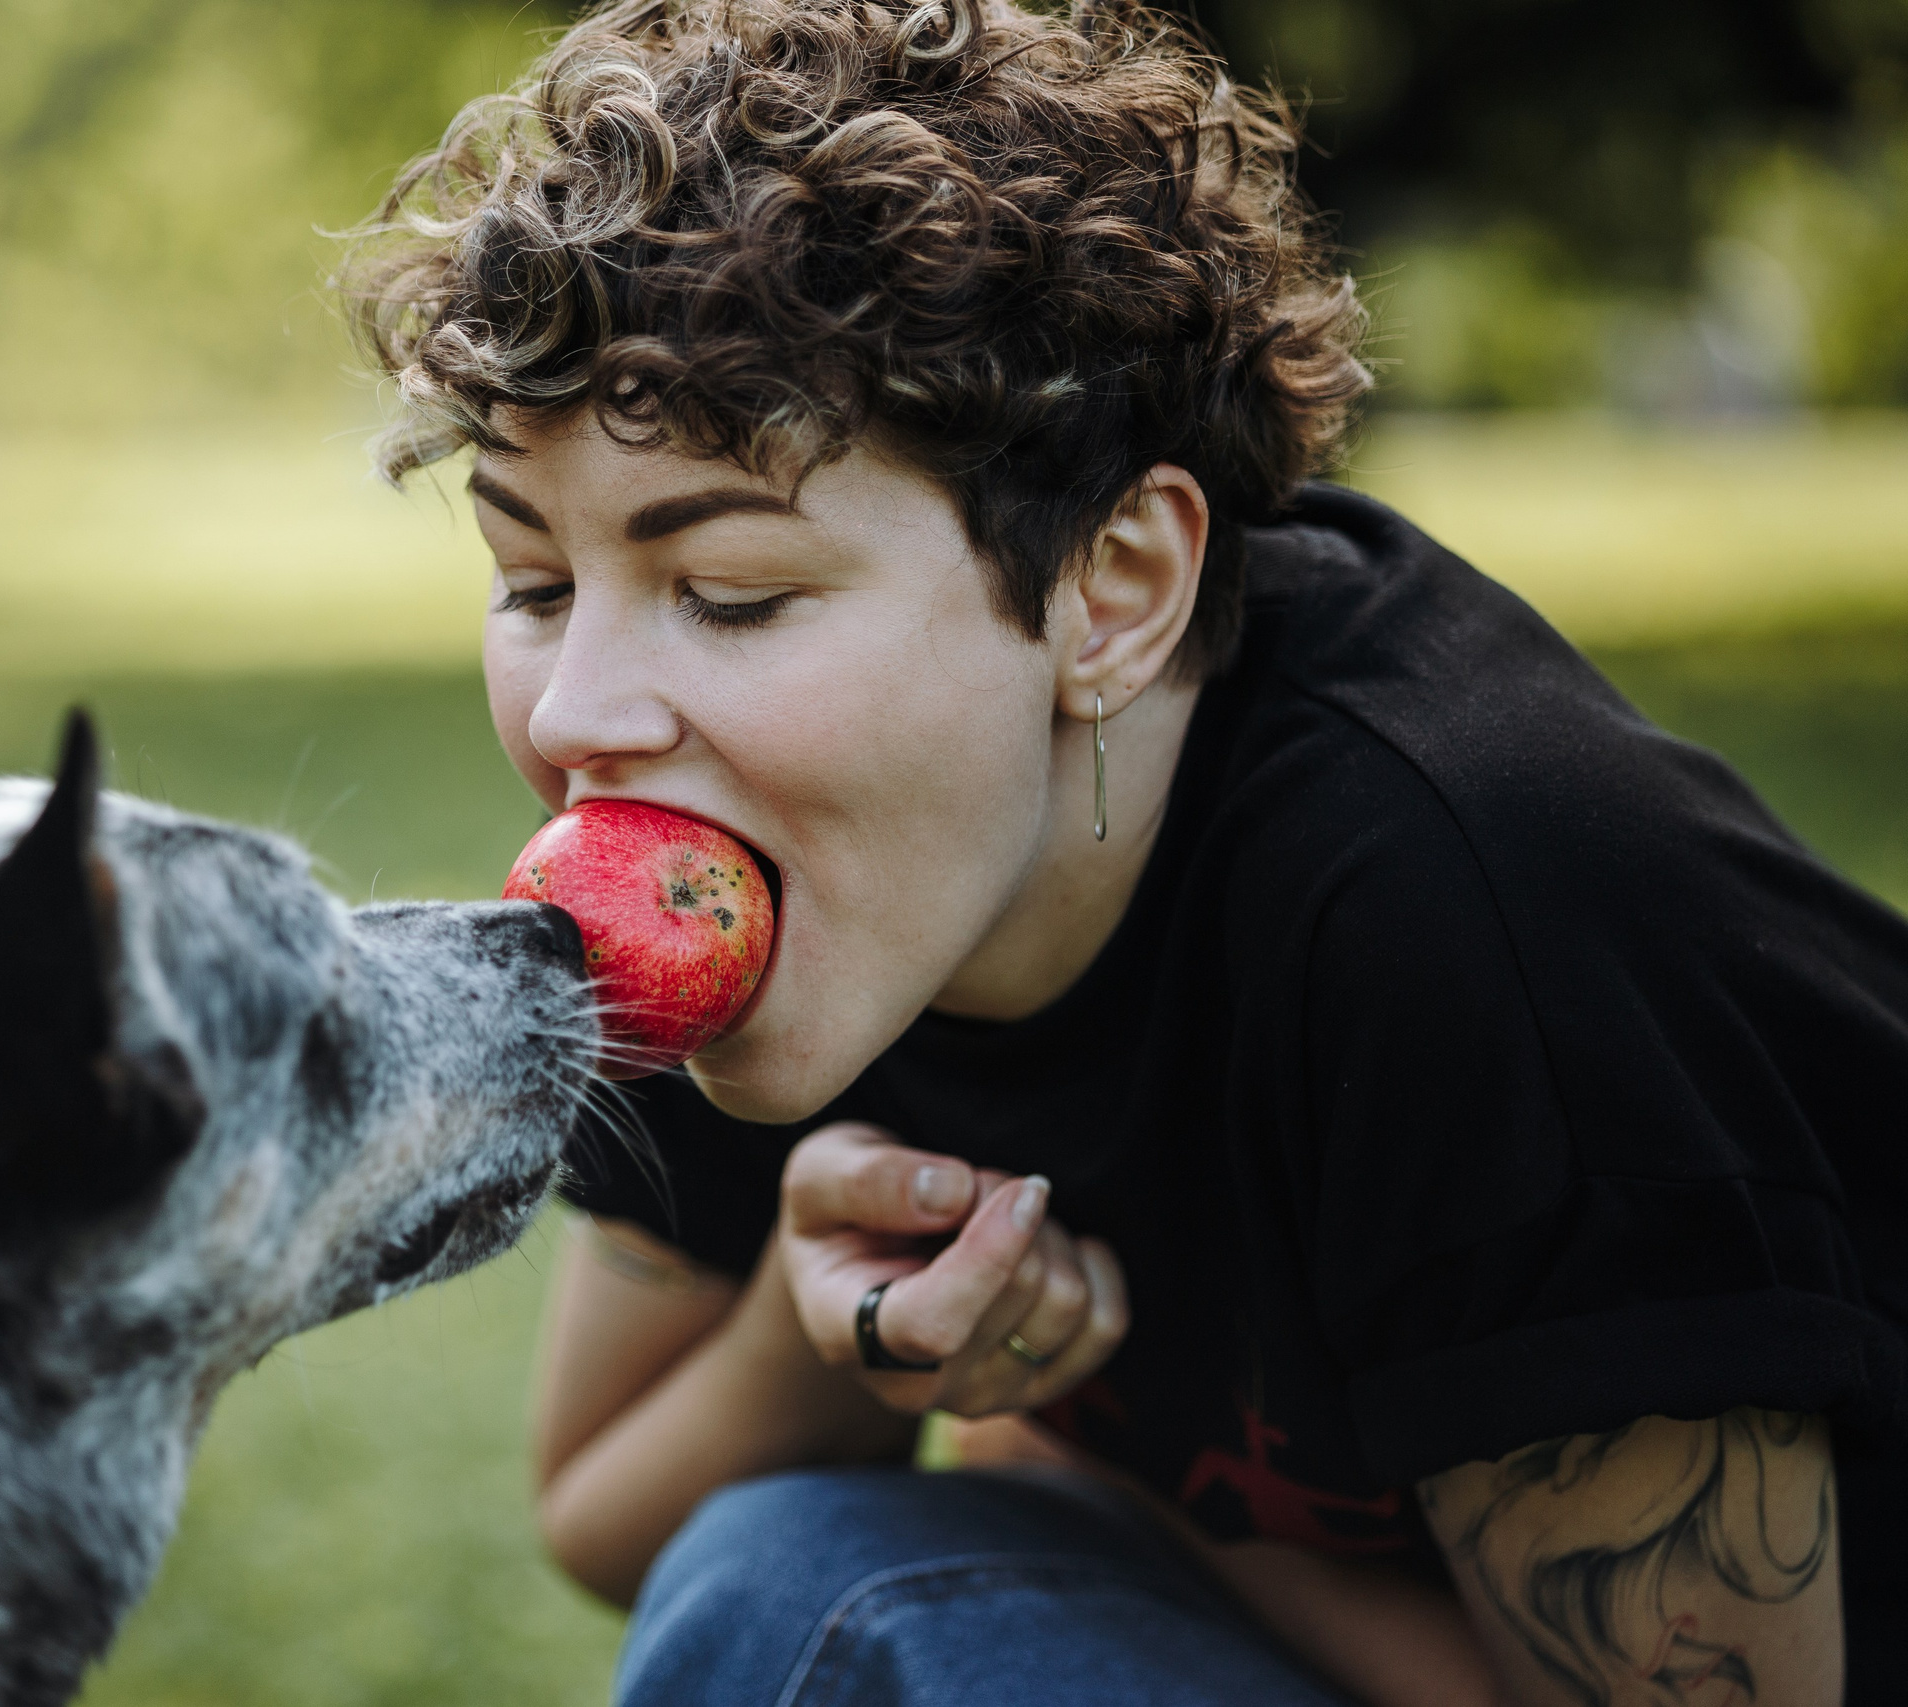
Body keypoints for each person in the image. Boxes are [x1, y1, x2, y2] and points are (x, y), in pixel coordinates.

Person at [341, 2, 1906, 1702]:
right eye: (536, 585)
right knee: (775, 1577)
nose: (579, 716)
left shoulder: (1476, 917)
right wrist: (840, 1341)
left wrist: (1076, 1462)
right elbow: (606, 1516)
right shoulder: (732, 855)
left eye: (734, 594)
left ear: (1115, 591)